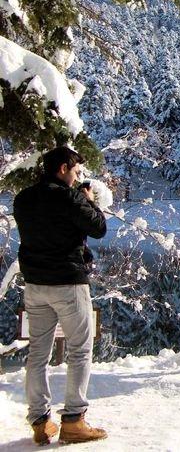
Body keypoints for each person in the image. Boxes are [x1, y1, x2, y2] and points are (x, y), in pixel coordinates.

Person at [13, 146, 108, 445]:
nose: (77, 176)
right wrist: (88, 202)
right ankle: (74, 421)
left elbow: (45, 228)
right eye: (76, 171)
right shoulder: (69, 197)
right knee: (79, 350)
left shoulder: (23, 198)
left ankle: (40, 422)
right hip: (67, 282)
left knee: (38, 353)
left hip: (35, 284)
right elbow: (99, 228)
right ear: (64, 168)